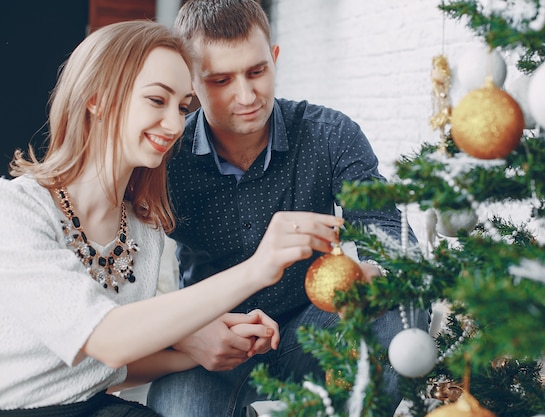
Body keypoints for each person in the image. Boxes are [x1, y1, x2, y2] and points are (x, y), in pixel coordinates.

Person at [0, 19, 342, 416]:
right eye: (156, 100)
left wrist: (205, 349)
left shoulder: (142, 229)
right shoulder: (16, 211)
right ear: (96, 97)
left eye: (182, 107)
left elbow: (104, 368)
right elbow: (107, 340)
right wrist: (257, 269)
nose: (176, 124)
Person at [146, 1, 430, 416]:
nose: (246, 96)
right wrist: (183, 335)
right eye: (221, 79)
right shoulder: (166, 157)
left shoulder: (330, 134)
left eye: (257, 72)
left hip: (311, 332)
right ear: (191, 82)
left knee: (399, 310)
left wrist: (376, 275)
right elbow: (125, 291)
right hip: (210, 343)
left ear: (275, 58)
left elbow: (395, 243)